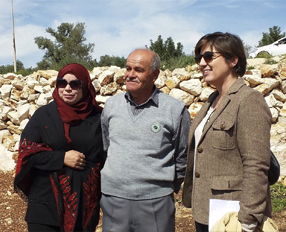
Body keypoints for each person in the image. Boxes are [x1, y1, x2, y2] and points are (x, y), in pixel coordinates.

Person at [182, 32, 272, 232]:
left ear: (233, 60)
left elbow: (256, 164)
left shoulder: (249, 100)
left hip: (234, 216)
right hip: (207, 211)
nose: (201, 63)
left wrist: (248, 219)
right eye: (199, 58)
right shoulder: (210, 102)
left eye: (208, 57)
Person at [100, 48, 191, 232]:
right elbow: (106, 146)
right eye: (128, 68)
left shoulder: (175, 110)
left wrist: (162, 187)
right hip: (114, 200)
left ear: (155, 75)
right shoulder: (111, 105)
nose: (130, 75)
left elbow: (183, 157)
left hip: (156, 202)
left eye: (138, 70)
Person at [14, 63, 106, 232]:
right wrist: (61, 158)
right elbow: (27, 153)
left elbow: (107, 156)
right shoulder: (44, 116)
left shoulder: (99, 117)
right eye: (62, 83)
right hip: (46, 206)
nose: (68, 88)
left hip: (85, 205)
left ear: (85, 86)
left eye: (75, 84)